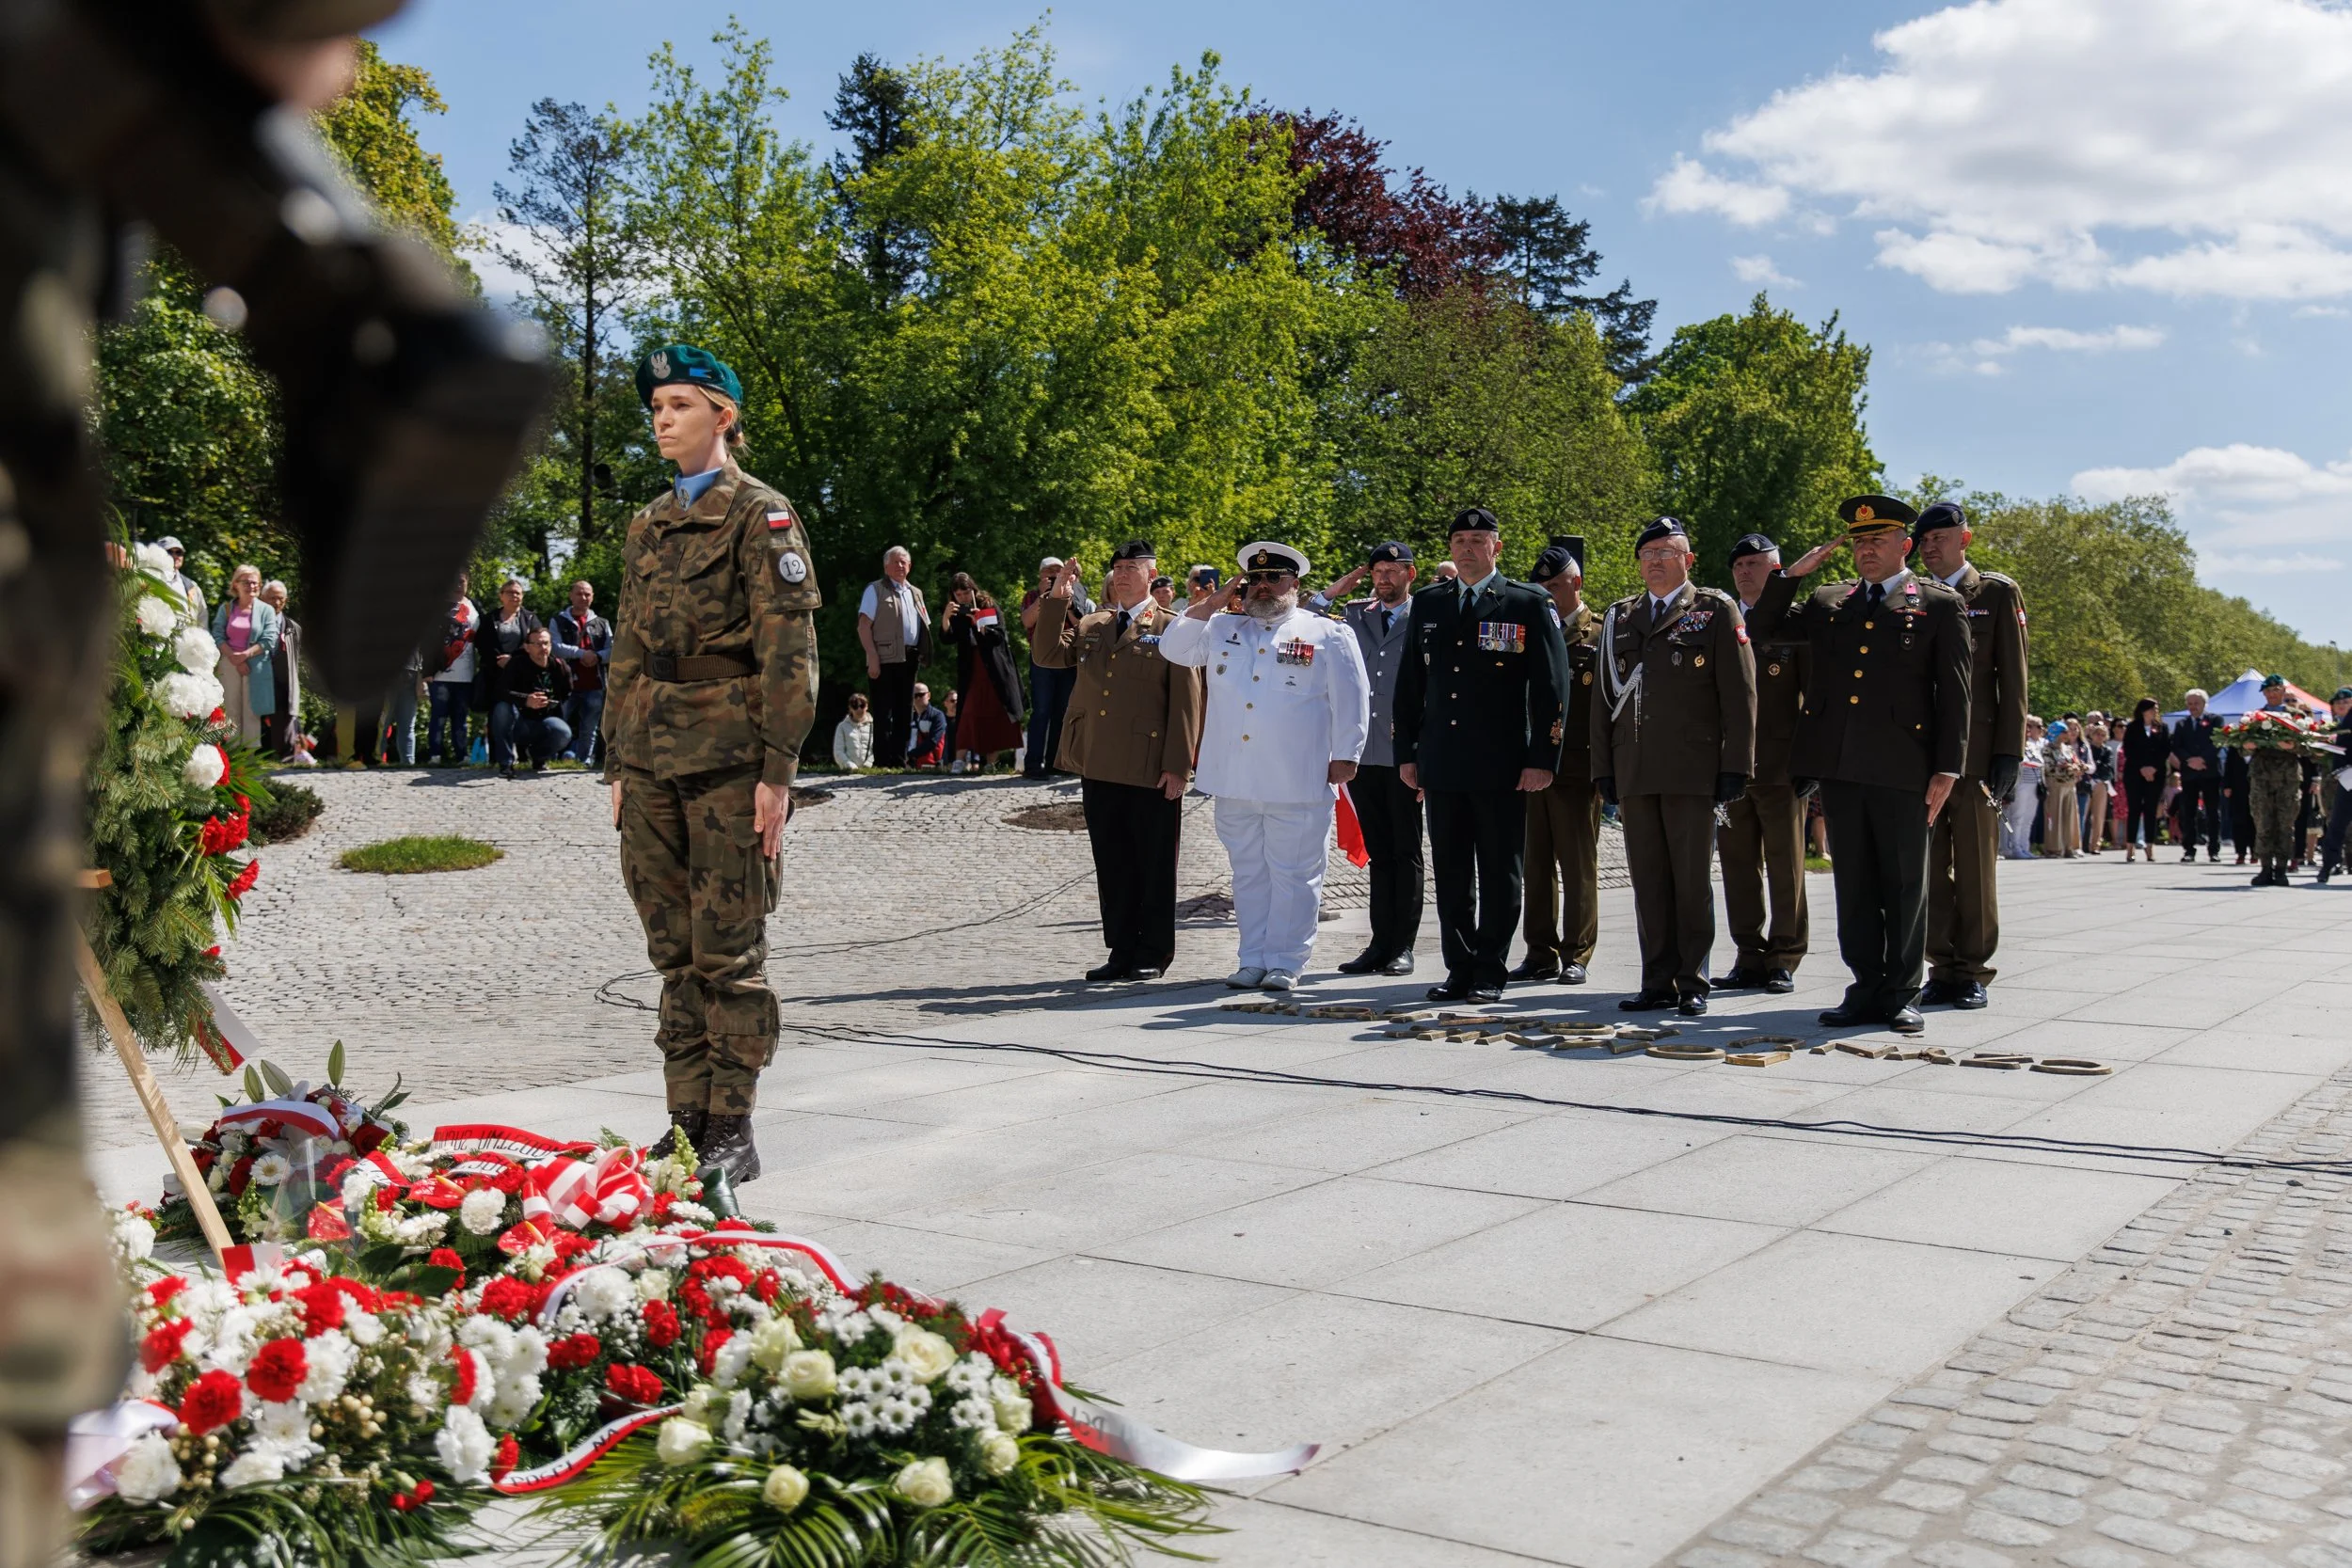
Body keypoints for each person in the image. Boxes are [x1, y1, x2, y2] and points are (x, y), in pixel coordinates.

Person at [606, 344, 820, 1183]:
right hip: (650, 758)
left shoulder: (761, 516)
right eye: (657, 407)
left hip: (731, 761)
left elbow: (789, 651)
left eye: (681, 405)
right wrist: (617, 761)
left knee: (729, 951)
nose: (663, 419)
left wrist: (778, 771)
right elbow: (628, 647)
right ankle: (684, 1121)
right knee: (673, 951)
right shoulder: (648, 523)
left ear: (722, 415)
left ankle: (732, 1124)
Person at [1748, 495, 1971, 1036]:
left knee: (1904, 884)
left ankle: (1901, 992)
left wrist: (1948, 768)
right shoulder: (1830, 600)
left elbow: (1955, 694)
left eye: (1877, 540)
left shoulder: (1937, 605)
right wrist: (1790, 575)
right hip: (1841, 765)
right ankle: (1865, 986)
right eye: (1860, 541)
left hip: (1904, 767)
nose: (1866, 550)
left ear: (1905, 545)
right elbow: (1764, 629)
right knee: (1854, 884)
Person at [1159, 541, 1369, 990]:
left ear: (1295, 583)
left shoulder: (1326, 633)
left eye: (1274, 578)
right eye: (1254, 579)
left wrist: (1347, 755)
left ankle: (1286, 961)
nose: (1263, 587)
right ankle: (1252, 957)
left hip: (1298, 776)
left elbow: (1353, 698)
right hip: (1234, 778)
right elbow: (1174, 649)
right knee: (1248, 874)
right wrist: (1211, 603)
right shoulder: (1222, 627)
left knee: (1295, 874)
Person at [1392, 507, 1570, 1003]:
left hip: (1501, 763)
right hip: (1442, 760)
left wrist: (1542, 757)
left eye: (1478, 540)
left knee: (1498, 869)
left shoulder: (1526, 602)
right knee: (1450, 871)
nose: (1467, 548)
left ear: (1497, 547)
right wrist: (1407, 751)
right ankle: (1460, 967)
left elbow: (1551, 687)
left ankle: (1491, 967)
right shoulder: (1430, 603)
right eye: (1459, 541)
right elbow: (1410, 684)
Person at [1591, 516, 1756, 1017]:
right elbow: (1602, 702)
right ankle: (1657, 980)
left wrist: (1736, 766)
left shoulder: (1714, 610)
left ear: (1688, 559)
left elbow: (1740, 696)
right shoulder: (1620, 616)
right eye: (1648, 554)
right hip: (1636, 769)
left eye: (1667, 552)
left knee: (1690, 881)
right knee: (1649, 882)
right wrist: (1604, 768)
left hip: (1693, 770)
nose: (1656, 561)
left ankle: (1692, 981)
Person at [1029, 540, 1205, 982]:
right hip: (1099, 760)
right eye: (1118, 567)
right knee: (1112, 862)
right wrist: (1057, 599)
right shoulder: (1094, 623)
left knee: (1153, 862)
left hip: (1150, 765)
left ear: (1151, 573)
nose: (1123, 574)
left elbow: (1187, 704)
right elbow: (1046, 654)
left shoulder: (1171, 627)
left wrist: (1178, 766)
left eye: (1132, 566)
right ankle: (1121, 948)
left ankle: (1153, 951)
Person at [1912, 501, 2025, 1011]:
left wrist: (2008, 751)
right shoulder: (1911, 595)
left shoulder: (1995, 594)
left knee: (1976, 867)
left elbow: (2013, 679)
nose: (1930, 547)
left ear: (1966, 539)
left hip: (1977, 756)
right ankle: (1941, 966)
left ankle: (1974, 969)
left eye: (1940, 538)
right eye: (1924, 540)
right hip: (1921, 755)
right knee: (1930, 868)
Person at [1716, 532, 1810, 994]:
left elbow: (1813, 698)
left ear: (1776, 571)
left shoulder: (1796, 621)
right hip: (1731, 765)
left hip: (1781, 765)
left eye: (1754, 564)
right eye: (1738, 565)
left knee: (1785, 865)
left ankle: (1784, 957)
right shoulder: (1719, 619)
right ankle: (1748, 955)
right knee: (1737, 866)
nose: (1744, 571)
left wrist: (1809, 761)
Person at [1515, 537, 1606, 987]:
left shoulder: (1601, 634)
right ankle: (1540, 952)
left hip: (1576, 768)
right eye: (1542, 587)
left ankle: (1577, 952)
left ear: (1577, 583)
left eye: (1555, 585)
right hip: (1529, 767)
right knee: (1535, 866)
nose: (1548, 594)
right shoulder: (1526, 631)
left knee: (1577, 865)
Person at [1335, 541, 1425, 976]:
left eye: (1393, 569)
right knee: (1378, 851)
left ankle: (1402, 945)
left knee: (1405, 850)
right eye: (1377, 571)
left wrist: (1424, 754)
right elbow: (1307, 616)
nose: (1384, 578)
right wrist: (1339, 588)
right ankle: (1379, 942)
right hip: (1363, 751)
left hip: (1405, 754)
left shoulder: (1426, 616)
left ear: (1411, 574)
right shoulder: (1355, 615)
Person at [942, 572, 1025, 773]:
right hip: (970, 668)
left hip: (994, 667)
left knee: (993, 712)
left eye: (966, 592)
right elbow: (947, 639)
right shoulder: (956, 611)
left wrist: (979, 622)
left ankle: (991, 763)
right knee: (967, 711)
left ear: (973, 589)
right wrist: (946, 617)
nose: (963, 597)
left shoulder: (987, 604)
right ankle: (959, 760)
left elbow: (999, 637)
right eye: (958, 594)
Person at [859, 546, 930, 768]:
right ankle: (882, 761)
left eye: (904, 562)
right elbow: (863, 626)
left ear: (910, 566)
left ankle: (899, 760)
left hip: (910, 658)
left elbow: (924, 625)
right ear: (886, 567)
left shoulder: (915, 592)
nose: (900, 565)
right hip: (884, 658)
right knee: (883, 711)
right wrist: (872, 656)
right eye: (896, 562)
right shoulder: (875, 589)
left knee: (904, 711)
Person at [1021, 556, 1091, 778]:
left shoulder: (1076, 593)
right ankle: (1033, 764)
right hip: (1041, 659)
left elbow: (1081, 624)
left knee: (1063, 711)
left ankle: (1057, 762)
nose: (1053, 575)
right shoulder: (1032, 595)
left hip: (1067, 657)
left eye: (1057, 571)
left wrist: (1066, 601)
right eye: (1049, 571)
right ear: (1040, 574)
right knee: (1041, 711)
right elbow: (1027, 621)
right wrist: (1045, 597)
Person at [210, 562, 280, 746]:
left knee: (252, 711)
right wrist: (234, 658)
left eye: (255, 582)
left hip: (255, 665)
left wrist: (245, 656)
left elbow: (270, 639)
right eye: (247, 582)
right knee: (230, 708)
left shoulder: (266, 610)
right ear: (236, 584)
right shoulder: (226, 608)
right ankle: (232, 754)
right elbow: (217, 635)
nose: (252, 586)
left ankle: (250, 758)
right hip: (229, 663)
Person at [2244, 675, 2305, 886]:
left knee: (2285, 825)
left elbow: (2308, 747)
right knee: (2263, 824)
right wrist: (2246, 746)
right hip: (2262, 777)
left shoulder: (2296, 716)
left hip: (2287, 779)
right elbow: (2240, 745)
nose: (2272, 694)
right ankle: (2265, 869)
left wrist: (2293, 746)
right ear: (2263, 693)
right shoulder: (2254, 717)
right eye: (2268, 691)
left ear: (2283, 691)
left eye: (2276, 690)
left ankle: (2281, 869)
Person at [494, 627, 574, 776]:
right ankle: (506, 763)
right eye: (537, 644)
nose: (542, 648)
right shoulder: (517, 664)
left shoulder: (560, 667)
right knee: (501, 708)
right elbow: (501, 691)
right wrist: (526, 700)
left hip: (544, 720)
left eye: (546, 643)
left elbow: (566, 693)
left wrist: (550, 702)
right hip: (518, 720)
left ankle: (538, 757)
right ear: (527, 647)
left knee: (563, 732)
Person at [551, 578, 612, 766]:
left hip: (595, 683)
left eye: (587, 594)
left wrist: (597, 656)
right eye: (579, 593)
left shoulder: (602, 623)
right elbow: (554, 647)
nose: (583, 597)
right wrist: (580, 654)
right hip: (565, 683)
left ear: (592, 597)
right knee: (559, 722)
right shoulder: (558, 620)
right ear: (571, 596)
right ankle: (551, 759)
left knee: (590, 727)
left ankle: (583, 761)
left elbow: (613, 650)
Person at [426, 577, 478, 767]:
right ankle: (435, 755)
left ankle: (462, 755)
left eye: (462, 581)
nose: (458, 585)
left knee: (461, 718)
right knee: (438, 716)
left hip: (466, 674)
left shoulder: (474, 606)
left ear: (468, 583)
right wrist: (427, 671)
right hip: (440, 674)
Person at [2170, 688, 2224, 862]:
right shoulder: (2181, 724)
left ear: (2204, 704)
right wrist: (2190, 760)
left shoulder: (2215, 720)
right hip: (2189, 774)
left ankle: (2214, 850)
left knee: (2212, 812)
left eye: (2196, 703)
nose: (2193, 706)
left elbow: (2217, 742)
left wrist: (2202, 759)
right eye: (2190, 703)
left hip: (2210, 772)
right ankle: (2189, 850)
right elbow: (2177, 746)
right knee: (2188, 812)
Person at [2119, 698, 2170, 862]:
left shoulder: (2162, 727)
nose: (2155, 712)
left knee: (2151, 810)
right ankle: (2130, 846)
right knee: (2134, 809)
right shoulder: (2132, 727)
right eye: (2152, 709)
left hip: (2156, 774)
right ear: (2143, 710)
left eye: (2157, 709)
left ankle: (2149, 846)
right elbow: (2128, 750)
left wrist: (2153, 768)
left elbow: (2165, 750)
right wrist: (2142, 767)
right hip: (2135, 773)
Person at [258, 578, 305, 760]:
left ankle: (285, 755)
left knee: (284, 719)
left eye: (281, 599)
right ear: (262, 598)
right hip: (258, 677)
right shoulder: (253, 623)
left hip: (282, 681)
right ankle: (255, 756)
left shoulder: (294, 628)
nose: (276, 602)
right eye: (272, 598)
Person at [2315, 689, 2352, 883]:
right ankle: (2328, 865)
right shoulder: (2343, 721)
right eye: (2339, 702)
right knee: (2337, 822)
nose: (2343, 704)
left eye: (2347, 701)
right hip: (2348, 776)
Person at [2041, 719, 2084, 857]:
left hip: (2070, 786)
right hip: (2055, 786)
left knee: (2070, 817)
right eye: (2064, 731)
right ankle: (2054, 848)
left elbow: (2078, 763)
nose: (2067, 734)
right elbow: (2049, 769)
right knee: (2055, 817)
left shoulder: (2068, 749)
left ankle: (2069, 847)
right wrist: (2069, 769)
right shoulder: (2047, 749)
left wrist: (2077, 768)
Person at [2003, 717, 2044, 858]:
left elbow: (2040, 761)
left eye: (2030, 727)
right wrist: (2032, 763)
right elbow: (2023, 761)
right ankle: (2015, 848)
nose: (2028, 730)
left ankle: (2025, 847)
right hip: (2020, 785)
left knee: (2028, 818)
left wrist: (2032, 763)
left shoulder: (2032, 745)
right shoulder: (2015, 744)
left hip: (2034, 785)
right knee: (2017, 817)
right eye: (2027, 726)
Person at [154, 534, 208, 629]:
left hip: (185, 637)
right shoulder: (148, 581)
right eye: (169, 552)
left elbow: (202, 621)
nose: (175, 556)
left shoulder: (192, 587)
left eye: (178, 552)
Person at [2082, 717, 2115, 853]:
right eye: (2097, 734)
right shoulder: (2087, 748)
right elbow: (2086, 764)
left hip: (2101, 783)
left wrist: (2097, 767)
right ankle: (2081, 844)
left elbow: (2107, 768)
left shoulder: (2107, 750)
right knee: (2084, 814)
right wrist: (2095, 767)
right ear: (2092, 735)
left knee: (2099, 816)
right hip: (2087, 782)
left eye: (2102, 734)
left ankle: (2095, 845)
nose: (2099, 737)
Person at [907, 683, 948, 768]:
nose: (918, 698)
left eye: (921, 695)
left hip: (931, 765)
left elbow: (933, 741)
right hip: (910, 765)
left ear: (928, 695)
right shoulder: (909, 717)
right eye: (914, 696)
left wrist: (910, 755)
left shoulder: (937, 715)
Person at [834, 693, 876, 768]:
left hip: (870, 769)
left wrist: (869, 763)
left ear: (867, 706)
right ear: (850, 708)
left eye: (862, 706)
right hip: (849, 770)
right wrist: (849, 765)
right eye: (855, 706)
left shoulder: (873, 726)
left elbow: (877, 748)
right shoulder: (842, 727)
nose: (859, 709)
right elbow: (838, 751)